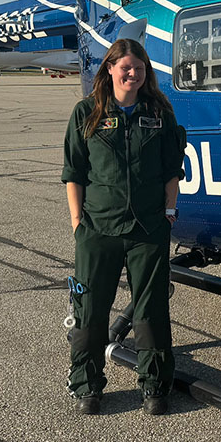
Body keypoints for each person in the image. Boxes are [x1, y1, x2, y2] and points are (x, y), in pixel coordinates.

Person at [62, 38, 186, 415]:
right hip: (98, 228)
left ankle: (154, 385)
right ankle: (87, 386)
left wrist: (169, 212)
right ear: (110, 69)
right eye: (126, 67)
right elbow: (74, 173)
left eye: (140, 68)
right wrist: (77, 223)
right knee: (89, 311)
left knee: (151, 312)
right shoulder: (87, 113)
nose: (133, 73)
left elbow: (171, 171)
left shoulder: (159, 113)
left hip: (148, 229)